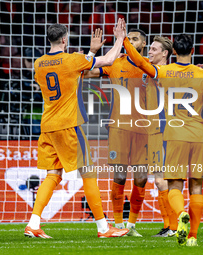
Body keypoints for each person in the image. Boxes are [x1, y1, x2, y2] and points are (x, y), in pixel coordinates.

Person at [24, 20, 129, 239]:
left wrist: (90, 53)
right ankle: (103, 227)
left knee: (53, 174)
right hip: (68, 125)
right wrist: (120, 38)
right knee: (89, 173)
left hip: (48, 126)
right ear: (64, 39)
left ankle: (33, 224)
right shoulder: (73, 59)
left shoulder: (38, 63)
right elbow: (109, 60)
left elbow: (70, 79)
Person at [123, 32, 203, 246]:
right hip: (199, 135)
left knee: (173, 185)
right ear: (194, 51)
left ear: (174, 51)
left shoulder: (164, 71)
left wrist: (124, 40)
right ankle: (193, 238)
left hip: (174, 134)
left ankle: (179, 216)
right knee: (196, 187)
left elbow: (140, 61)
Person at [84, 28, 150, 237]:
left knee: (141, 178)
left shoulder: (149, 66)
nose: (129, 41)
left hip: (143, 130)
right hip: (119, 128)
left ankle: (131, 225)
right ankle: (119, 224)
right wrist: (91, 53)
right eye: (127, 38)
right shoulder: (115, 62)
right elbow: (86, 72)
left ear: (143, 45)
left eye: (134, 39)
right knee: (120, 176)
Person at [142, 36, 178, 237]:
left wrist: (124, 43)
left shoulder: (163, 72)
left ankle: (173, 226)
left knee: (163, 180)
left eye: (154, 49)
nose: (150, 51)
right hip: (154, 129)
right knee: (159, 180)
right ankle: (169, 226)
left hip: (164, 129)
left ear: (165, 53)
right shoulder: (152, 69)